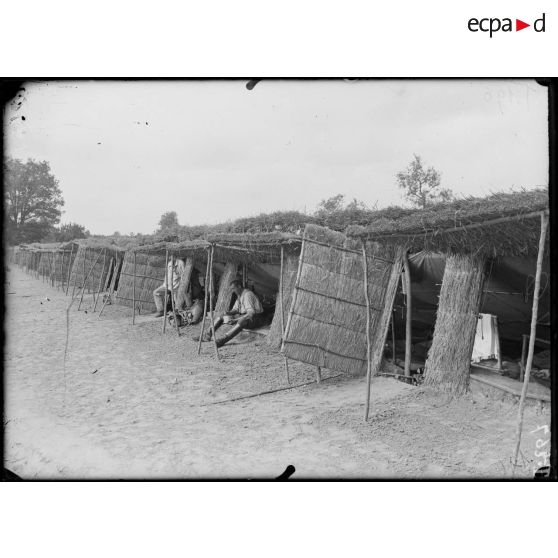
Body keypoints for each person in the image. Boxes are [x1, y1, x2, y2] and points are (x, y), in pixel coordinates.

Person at [194, 279, 265, 347]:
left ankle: (223, 340)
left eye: (234, 288)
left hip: (256, 318)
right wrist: (228, 313)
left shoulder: (247, 294)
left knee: (242, 321)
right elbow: (236, 309)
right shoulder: (239, 295)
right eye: (232, 289)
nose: (232, 290)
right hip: (245, 315)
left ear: (239, 286)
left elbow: (251, 313)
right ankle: (207, 335)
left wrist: (236, 320)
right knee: (221, 316)